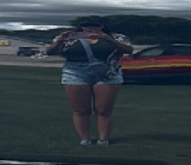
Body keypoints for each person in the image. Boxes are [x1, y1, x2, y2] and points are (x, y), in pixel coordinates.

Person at [46, 16, 132, 146]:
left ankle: (103, 139)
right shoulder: (70, 37)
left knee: (104, 110)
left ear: (102, 26)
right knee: (80, 109)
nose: (90, 28)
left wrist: (108, 39)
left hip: (108, 73)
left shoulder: (116, 37)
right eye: (86, 25)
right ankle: (84, 139)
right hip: (76, 72)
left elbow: (128, 50)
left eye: (95, 25)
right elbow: (49, 51)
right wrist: (60, 41)